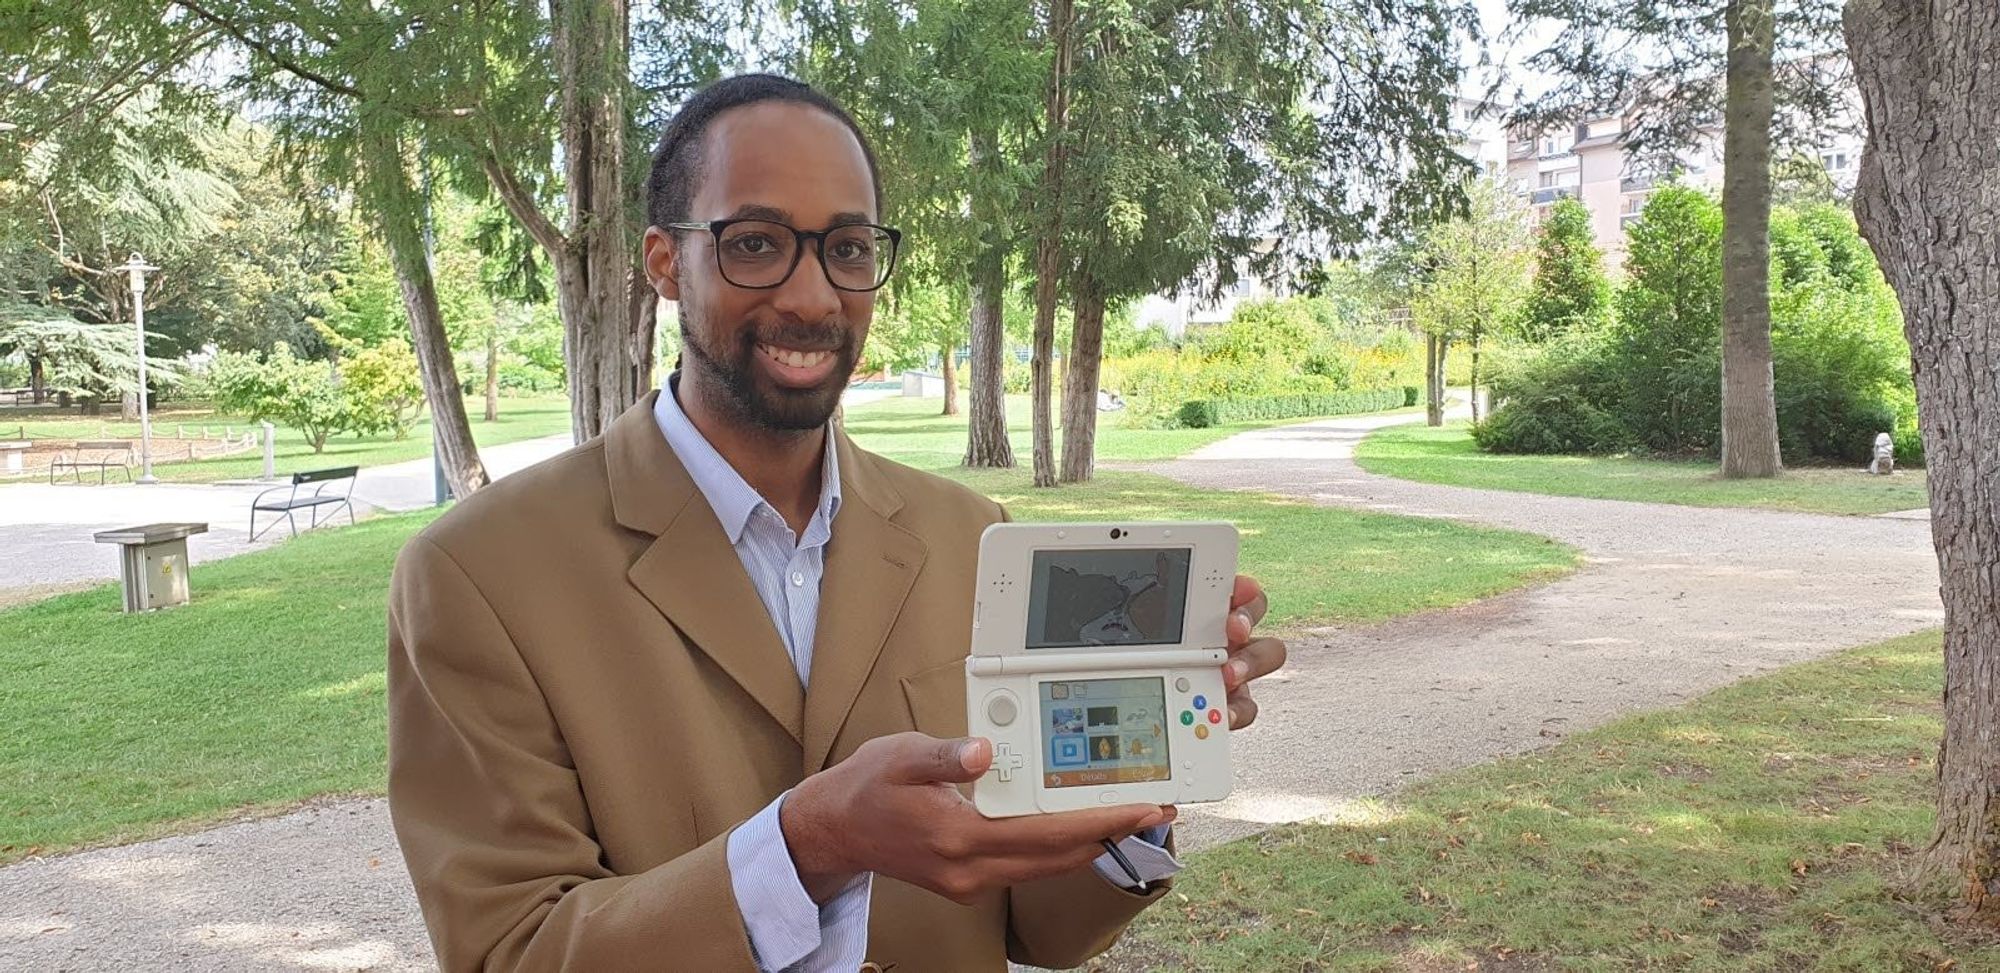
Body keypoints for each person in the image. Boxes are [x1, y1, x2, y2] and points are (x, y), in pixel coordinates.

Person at [386, 73, 1288, 973]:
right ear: (665, 263)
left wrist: (1132, 777)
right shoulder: (479, 574)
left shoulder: (972, 537)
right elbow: (511, 950)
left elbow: (1041, 930)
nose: (815, 298)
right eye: (756, 243)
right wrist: (807, 845)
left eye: (848, 249)